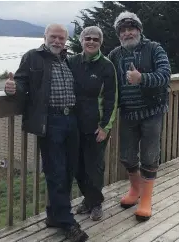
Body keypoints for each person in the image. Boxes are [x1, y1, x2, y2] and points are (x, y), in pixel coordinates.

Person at [4, 23, 88, 242]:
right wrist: (12, 89)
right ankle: (68, 222)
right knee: (56, 172)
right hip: (50, 122)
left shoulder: (69, 59)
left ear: (66, 40)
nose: (57, 41)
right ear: (45, 37)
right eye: (53, 37)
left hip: (72, 120)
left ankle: (54, 215)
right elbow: (21, 83)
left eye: (61, 38)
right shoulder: (33, 57)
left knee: (69, 171)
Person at [108, 11, 171, 221]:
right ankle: (135, 191)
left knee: (149, 156)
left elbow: (165, 74)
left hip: (152, 111)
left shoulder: (154, 48)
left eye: (131, 28)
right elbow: (105, 80)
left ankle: (145, 199)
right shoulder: (115, 54)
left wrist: (141, 78)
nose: (127, 33)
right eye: (123, 30)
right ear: (119, 34)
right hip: (127, 112)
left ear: (139, 30)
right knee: (127, 156)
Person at [68, 26, 118, 221]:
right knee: (77, 167)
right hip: (74, 125)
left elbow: (112, 99)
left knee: (94, 167)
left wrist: (105, 127)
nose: (91, 42)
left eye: (95, 39)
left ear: (100, 43)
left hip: (97, 127)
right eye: (87, 38)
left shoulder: (107, 66)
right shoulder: (72, 61)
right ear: (81, 41)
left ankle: (95, 204)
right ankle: (89, 199)